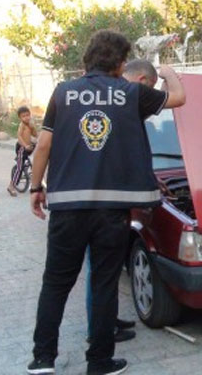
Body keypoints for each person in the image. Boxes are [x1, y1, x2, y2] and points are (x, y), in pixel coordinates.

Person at [27, 30, 186, 375]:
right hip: (111, 211)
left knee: (56, 282)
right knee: (103, 283)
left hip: (67, 208)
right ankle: (99, 363)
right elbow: (178, 98)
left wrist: (35, 188)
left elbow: (43, 146)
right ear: (118, 62)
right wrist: (170, 71)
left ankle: (42, 359)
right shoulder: (130, 93)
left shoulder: (63, 93)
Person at [83, 59, 161, 345]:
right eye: (150, 88)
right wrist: (172, 75)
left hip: (100, 197)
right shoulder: (122, 99)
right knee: (99, 271)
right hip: (99, 203)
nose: (148, 96)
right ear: (142, 80)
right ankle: (99, 333)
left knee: (105, 271)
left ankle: (106, 321)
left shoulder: (110, 98)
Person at [7, 106, 38, 196]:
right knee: (20, 167)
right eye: (23, 116)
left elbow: (35, 135)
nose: (26, 117)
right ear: (20, 118)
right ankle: (11, 186)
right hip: (22, 148)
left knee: (36, 163)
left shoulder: (30, 124)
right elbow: (19, 137)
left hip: (30, 147)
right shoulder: (22, 125)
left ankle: (35, 182)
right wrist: (25, 146)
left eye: (28, 115)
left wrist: (33, 128)